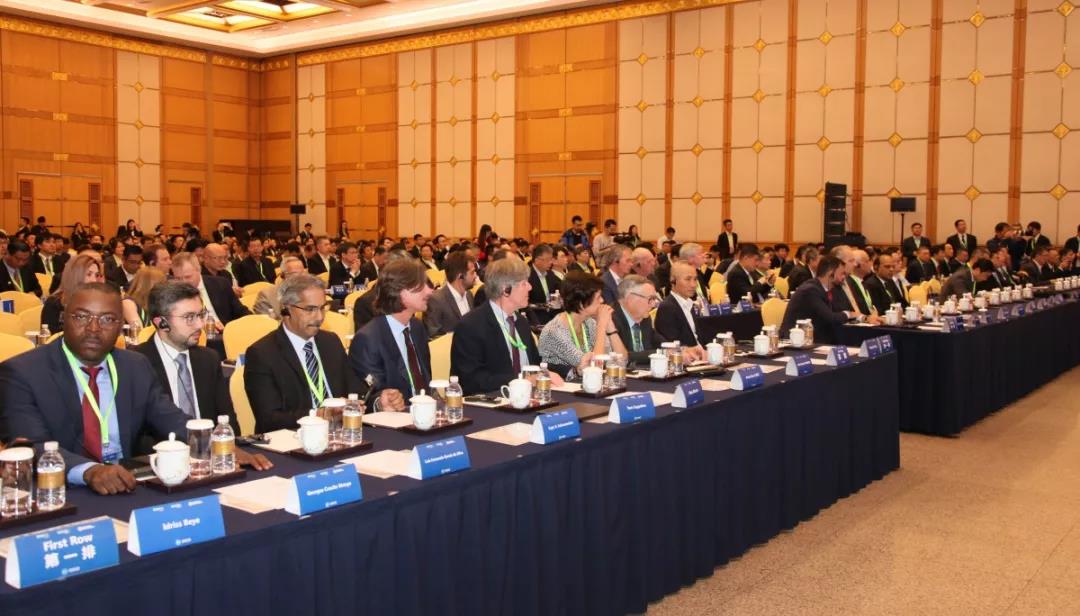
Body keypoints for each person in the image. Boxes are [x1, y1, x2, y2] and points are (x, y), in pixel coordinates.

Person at [0, 282, 266, 496]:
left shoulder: (133, 365)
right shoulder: (22, 372)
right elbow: (31, 446)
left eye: (107, 319)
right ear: (63, 319)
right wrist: (88, 470)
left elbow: (169, 417)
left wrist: (216, 445)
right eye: (81, 317)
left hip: (126, 484)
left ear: (120, 326)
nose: (93, 328)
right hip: (58, 491)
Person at [244, 274, 366, 432]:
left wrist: (376, 401)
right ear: (286, 309)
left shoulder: (331, 342)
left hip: (340, 433)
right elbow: (269, 419)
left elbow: (355, 390)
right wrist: (319, 415)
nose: (319, 317)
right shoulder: (262, 354)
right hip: (295, 437)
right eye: (310, 309)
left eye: (322, 308)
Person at [133, 281, 248, 436]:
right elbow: (138, 433)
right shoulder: (137, 363)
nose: (200, 325)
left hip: (211, 447)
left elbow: (227, 420)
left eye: (200, 315)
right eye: (189, 317)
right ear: (162, 323)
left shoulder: (209, 359)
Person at [449, 257, 564, 395]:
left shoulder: (521, 322)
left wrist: (573, 370)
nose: (530, 287)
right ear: (506, 290)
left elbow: (536, 363)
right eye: (524, 283)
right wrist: (523, 381)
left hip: (530, 398)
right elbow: (471, 381)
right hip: (495, 401)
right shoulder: (471, 326)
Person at [349, 260, 432, 408]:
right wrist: (382, 402)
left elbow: (425, 381)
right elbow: (368, 396)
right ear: (400, 291)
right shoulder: (368, 339)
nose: (429, 291)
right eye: (421, 286)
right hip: (394, 417)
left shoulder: (417, 328)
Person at [538, 271, 627, 378]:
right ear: (581, 303)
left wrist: (611, 328)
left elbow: (622, 361)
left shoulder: (589, 323)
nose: (602, 300)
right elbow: (593, 369)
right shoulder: (554, 331)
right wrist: (602, 326)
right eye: (598, 297)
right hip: (563, 385)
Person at [779, 256, 863, 343]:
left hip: (815, 337)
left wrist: (859, 317)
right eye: (842, 273)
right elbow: (831, 318)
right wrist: (849, 314)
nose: (844, 277)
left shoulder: (830, 289)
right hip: (795, 340)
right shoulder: (810, 290)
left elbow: (838, 313)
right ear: (831, 274)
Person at [170, 252, 249, 327]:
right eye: (178, 278)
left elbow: (240, 310)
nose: (183, 282)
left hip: (226, 331)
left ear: (199, 270)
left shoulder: (221, 284)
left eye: (188, 277)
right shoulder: (173, 296)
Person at [41, 254, 104, 333]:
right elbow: (51, 336)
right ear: (75, 276)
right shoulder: (54, 303)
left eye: (96, 275)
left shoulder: (97, 301)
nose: (94, 280)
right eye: (89, 274)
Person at [654, 262, 707, 350]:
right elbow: (672, 344)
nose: (694, 285)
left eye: (695, 279)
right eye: (688, 279)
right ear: (673, 281)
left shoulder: (689, 304)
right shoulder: (667, 308)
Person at [424, 251, 477, 337]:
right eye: (472, 272)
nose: (475, 276)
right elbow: (433, 334)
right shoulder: (436, 300)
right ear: (460, 276)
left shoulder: (469, 295)